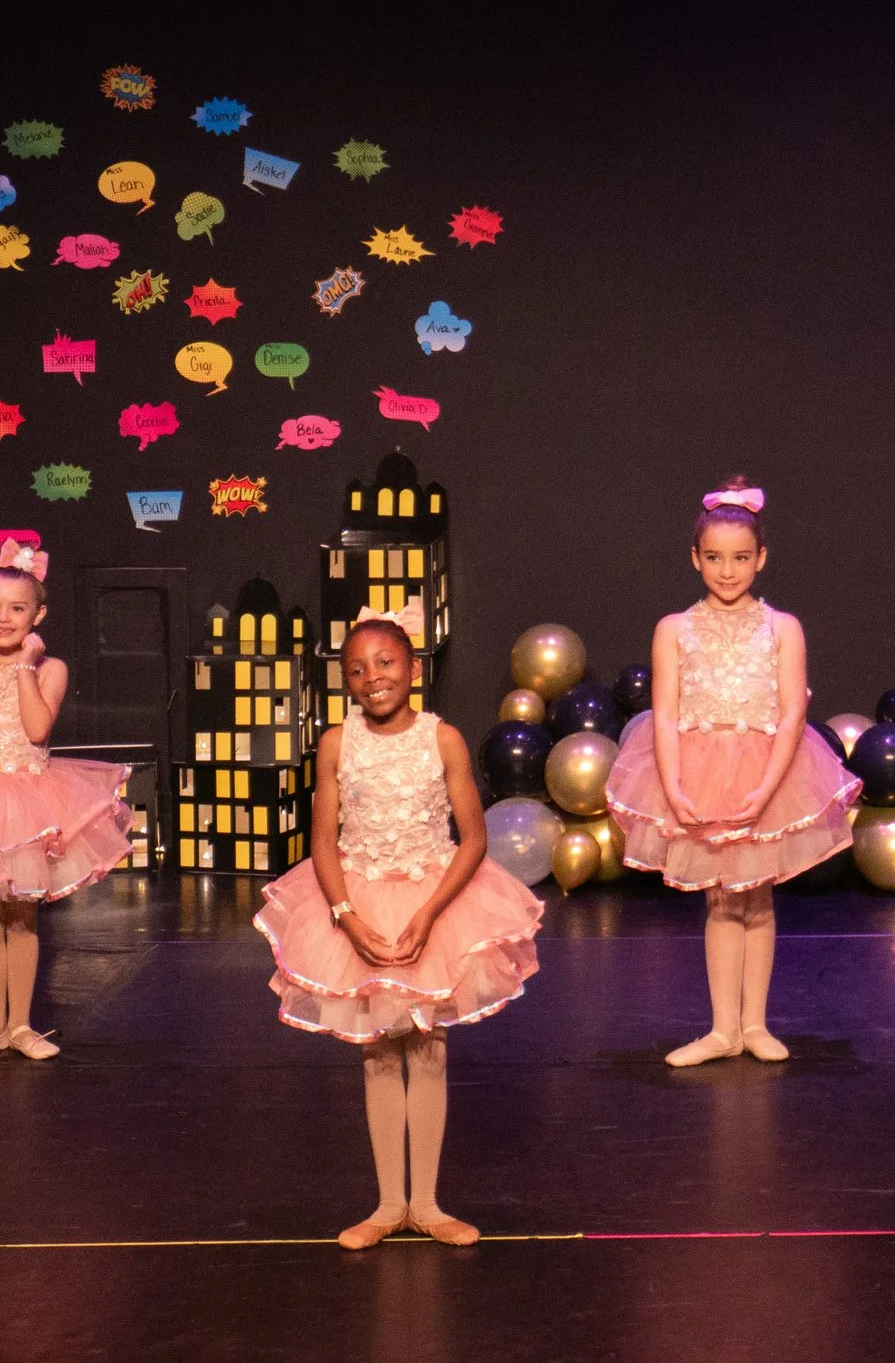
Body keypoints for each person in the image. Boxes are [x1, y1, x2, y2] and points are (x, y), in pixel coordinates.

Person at [256, 606, 543, 1247]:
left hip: (430, 902)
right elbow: (323, 842)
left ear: (413, 668)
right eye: (356, 669)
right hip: (359, 903)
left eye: (385, 663)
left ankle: (429, 1204)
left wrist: (429, 913)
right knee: (380, 1051)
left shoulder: (442, 739)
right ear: (345, 682)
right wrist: (345, 916)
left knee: (429, 1047)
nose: (372, 677)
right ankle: (388, 1205)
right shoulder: (337, 741)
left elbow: (472, 839)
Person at [606, 482, 861, 1065]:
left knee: (757, 896)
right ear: (695, 558)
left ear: (761, 559)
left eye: (741, 558)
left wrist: (767, 787)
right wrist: (671, 786)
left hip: (765, 769)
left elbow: (793, 710)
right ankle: (722, 1029)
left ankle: (754, 1025)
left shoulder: (783, 628)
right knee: (721, 899)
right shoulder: (673, 628)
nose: (727, 571)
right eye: (714, 558)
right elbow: (665, 713)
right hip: (697, 770)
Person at [0, 538, 132, 1058]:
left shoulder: (50, 669)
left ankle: (20, 1025)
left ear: (39, 614)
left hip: (28, 801)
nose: (6, 618)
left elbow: (35, 730)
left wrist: (26, 667)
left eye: (17, 608)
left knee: (20, 918)